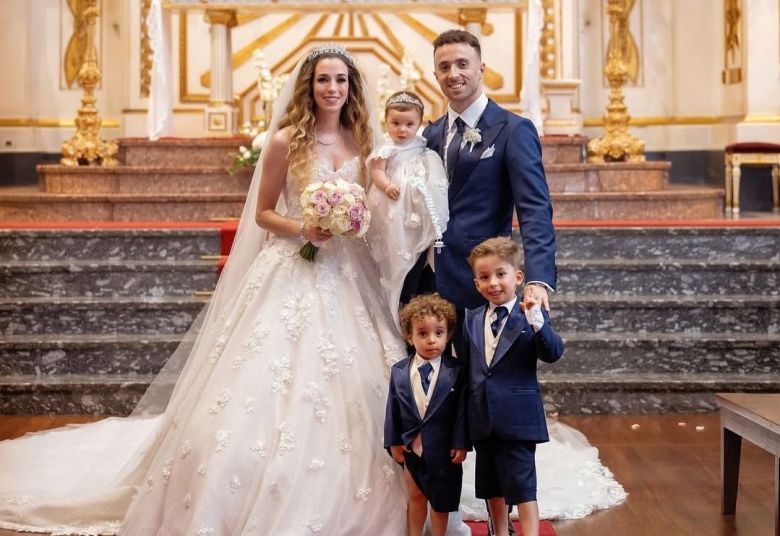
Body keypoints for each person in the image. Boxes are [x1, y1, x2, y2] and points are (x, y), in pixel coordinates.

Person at [0, 43, 408, 535]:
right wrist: (305, 228)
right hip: (295, 267)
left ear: (352, 87)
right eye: (324, 79)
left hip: (349, 272)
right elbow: (263, 214)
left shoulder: (365, 141)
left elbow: (378, 205)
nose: (333, 88)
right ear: (309, 84)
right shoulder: (286, 141)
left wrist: (355, 221)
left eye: (341, 80)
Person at [407, 28, 556, 359]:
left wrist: (538, 279)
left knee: (480, 381)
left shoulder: (513, 130)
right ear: (435, 75)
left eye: (463, 64)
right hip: (426, 279)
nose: (453, 73)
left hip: (481, 280)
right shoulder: (428, 135)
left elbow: (535, 210)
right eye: (444, 67)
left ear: (481, 69)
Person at [463, 237, 564, 536]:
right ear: (476, 283)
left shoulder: (529, 314)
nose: (493, 283)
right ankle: (499, 531)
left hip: (518, 419)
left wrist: (536, 321)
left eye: (500, 274)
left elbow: (553, 352)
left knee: (522, 486)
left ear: (518, 277)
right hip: (483, 419)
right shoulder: (471, 319)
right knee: (491, 487)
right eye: (484, 277)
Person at [384, 294, 468, 536]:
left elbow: (462, 412)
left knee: (441, 501)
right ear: (409, 337)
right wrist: (394, 441)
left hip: (444, 450)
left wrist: (461, 443)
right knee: (416, 496)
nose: (432, 340)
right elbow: (392, 408)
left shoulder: (456, 371)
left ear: (448, 335)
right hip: (412, 450)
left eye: (438, 333)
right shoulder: (399, 371)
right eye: (422, 333)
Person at [365, 90, 448, 327]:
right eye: (396, 123)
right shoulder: (386, 147)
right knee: (391, 243)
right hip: (390, 205)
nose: (402, 130)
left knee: (412, 246)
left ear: (419, 123)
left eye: (409, 124)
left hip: (413, 209)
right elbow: (376, 171)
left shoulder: (422, 145)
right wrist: (386, 185)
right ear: (386, 121)